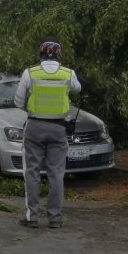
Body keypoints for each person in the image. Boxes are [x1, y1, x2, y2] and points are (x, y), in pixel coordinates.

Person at [14, 37, 81, 229]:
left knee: (32, 172)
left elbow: (18, 101)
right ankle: (55, 218)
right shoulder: (68, 74)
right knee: (57, 174)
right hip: (59, 129)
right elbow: (78, 88)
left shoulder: (30, 73)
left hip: (34, 127)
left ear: (41, 54)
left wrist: (32, 109)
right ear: (59, 54)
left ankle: (32, 217)